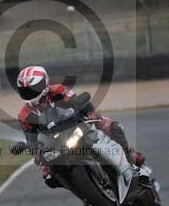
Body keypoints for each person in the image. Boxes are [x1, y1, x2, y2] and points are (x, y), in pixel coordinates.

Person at [10, 65, 145, 188]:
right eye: (25, 90)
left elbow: (78, 102)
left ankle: (129, 156)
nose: (29, 93)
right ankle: (81, 189)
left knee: (111, 126)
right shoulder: (24, 115)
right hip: (54, 142)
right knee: (48, 176)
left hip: (76, 125)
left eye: (33, 89)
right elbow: (31, 138)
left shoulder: (58, 90)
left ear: (44, 83)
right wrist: (31, 148)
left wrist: (91, 113)